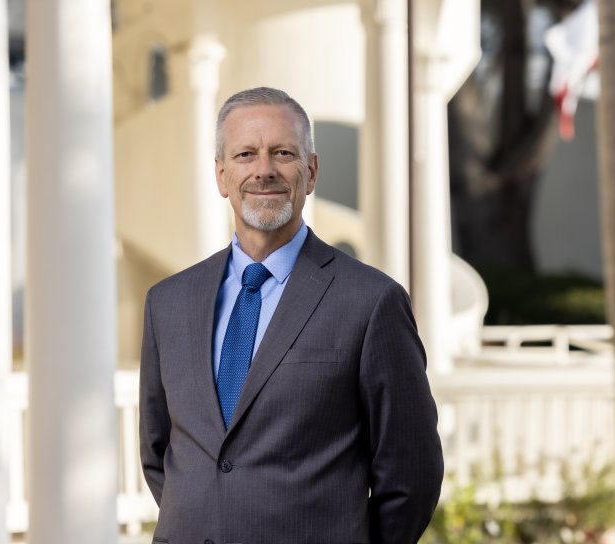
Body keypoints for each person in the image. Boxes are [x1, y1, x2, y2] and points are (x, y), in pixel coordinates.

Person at [139, 87, 443, 543]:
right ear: (222, 176)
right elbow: (159, 452)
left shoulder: (371, 302)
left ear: (311, 171)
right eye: (246, 154)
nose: (264, 170)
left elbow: (410, 475)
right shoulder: (167, 303)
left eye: (283, 153)